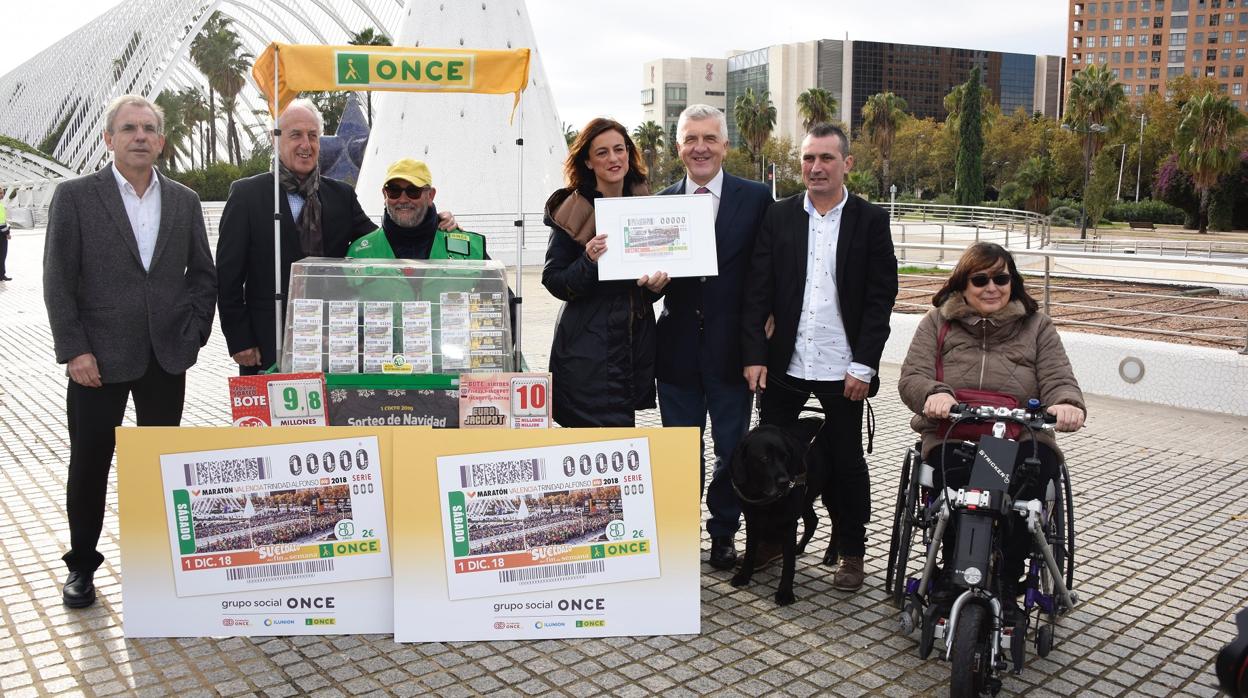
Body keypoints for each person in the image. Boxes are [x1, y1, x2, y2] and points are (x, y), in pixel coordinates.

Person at [42, 95, 216, 608]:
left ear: (161, 141)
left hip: (166, 357)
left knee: (158, 464)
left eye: (148, 129)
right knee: (90, 463)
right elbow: (57, 279)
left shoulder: (183, 200)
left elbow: (203, 275)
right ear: (109, 139)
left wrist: (194, 335)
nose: (140, 136)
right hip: (97, 360)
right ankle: (81, 566)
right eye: (129, 128)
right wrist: (74, 349)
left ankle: (152, 565)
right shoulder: (75, 197)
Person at [742, 123, 899, 592]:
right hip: (785, 365)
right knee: (772, 459)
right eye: (809, 158)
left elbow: (880, 298)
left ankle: (851, 551)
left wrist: (864, 365)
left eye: (826, 158)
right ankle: (771, 542)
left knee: (847, 464)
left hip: (843, 368)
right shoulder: (780, 215)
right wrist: (754, 354)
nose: (816, 167)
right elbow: (758, 289)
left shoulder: (870, 221)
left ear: (847, 163)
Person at [897, 242, 1085, 614]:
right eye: (979, 279)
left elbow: (1059, 378)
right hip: (954, 430)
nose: (991, 287)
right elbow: (912, 377)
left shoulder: (1037, 326)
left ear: (1012, 281)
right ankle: (954, 571)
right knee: (954, 491)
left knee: (1023, 496)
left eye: (1001, 278)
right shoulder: (937, 322)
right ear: (962, 284)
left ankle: (1006, 580)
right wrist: (934, 394)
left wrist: (1066, 403)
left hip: (1021, 434)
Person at [656, 105, 773, 570]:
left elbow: (769, 271)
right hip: (677, 351)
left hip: (734, 353)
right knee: (681, 453)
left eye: (709, 138)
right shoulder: (660, 204)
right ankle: (679, 536)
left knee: (731, 450)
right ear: (678, 147)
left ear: (726, 146)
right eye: (690, 139)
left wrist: (766, 330)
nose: (700, 148)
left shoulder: (757, 198)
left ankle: (724, 532)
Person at [215, 99, 374, 374]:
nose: (306, 144)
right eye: (296, 135)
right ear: (274, 139)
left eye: (313, 136)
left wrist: (436, 222)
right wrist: (240, 339)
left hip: (332, 341)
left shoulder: (341, 196)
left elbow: (378, 243)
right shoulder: (247, 196)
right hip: (268, 343)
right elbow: (227, 277)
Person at [542, 118, 669, 427]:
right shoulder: (575, 208)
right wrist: (588, 259)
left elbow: (644, 286)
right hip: (587, 351)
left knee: (622, 442)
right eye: (602, 153)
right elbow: (554, 280)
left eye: (619, 149)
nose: (613, 159)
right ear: (588, 161)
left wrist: (656, 286)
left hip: (630, 347)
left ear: (629, 154)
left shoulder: (645, 204)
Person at [348, 158, 476, 260]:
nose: (403, 199)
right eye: (394, 191)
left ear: (430, 195)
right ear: (385, 195)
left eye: (413, 191)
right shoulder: (359, 252)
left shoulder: (470, 247)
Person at [0, 187, 10, 280]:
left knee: (2, 255)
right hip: (1, 233)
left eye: (2, 193)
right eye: (0, 193)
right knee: (2, 254)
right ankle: (1, 275)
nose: (2, 195)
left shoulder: (1, 205)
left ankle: (2, 274)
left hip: (2, 232)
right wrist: (7, 232)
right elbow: (1, 223)